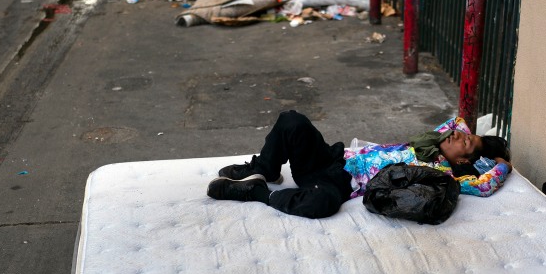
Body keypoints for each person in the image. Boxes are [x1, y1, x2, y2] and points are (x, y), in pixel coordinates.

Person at [207, 110, 512, 219]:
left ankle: (256, 193)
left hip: (341, 183)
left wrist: (501, 163)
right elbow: (456, 120)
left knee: (322, 205)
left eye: (466, 141)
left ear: (461, 160)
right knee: (292, 121)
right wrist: (479, 142)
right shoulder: (431, 140)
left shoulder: (443, 174)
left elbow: (484, 185)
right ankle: (265, 168)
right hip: (333, 158)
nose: (459, 133)